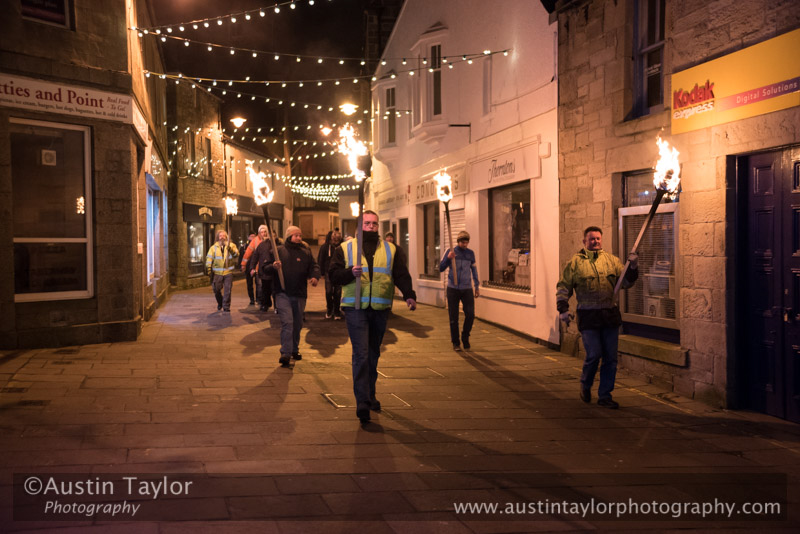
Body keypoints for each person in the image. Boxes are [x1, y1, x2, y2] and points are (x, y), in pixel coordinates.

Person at [329, 210, 417, 424]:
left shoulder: (391, 249)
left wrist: (409, 295)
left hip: (379, 307)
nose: (371, 227)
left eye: (374, 224)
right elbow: (333, 275)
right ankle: (362, 402)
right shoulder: (345, 248)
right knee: (361, 353)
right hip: (355, 307)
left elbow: (401, 274)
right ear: (359, 226)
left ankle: (370, 394)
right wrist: (351, 273)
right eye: (367, 224)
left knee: (373, 353)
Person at [556, 226, 639, 409]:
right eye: (592, 239)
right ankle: (585, 384)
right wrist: (562, 308)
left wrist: (632, 267)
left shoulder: (612, 261)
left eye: (598, 239)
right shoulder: (575, 263)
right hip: (588, 316)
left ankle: (605, 395)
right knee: (594, 354)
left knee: (610, 358)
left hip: (609, 315)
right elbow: (563, 287)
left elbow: (625, 283)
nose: (596, 242)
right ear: (584, 241)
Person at [261, 225, 320, 367]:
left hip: (299, 294)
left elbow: (314, 266)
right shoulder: (278, 251)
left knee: (298, 323)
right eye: (296, 235)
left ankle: (294, 348)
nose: (299, 238)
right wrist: (273, 267)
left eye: (300, 235)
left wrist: (314, 277)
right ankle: (285, 353)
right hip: (282, 293)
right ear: (289, 236)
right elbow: (265, 268)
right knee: (288, 322)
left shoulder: (305, 252)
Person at [439, 231, 480, 351]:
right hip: (453, 288)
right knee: (453, 317)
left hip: (467, 288)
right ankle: (455, 343)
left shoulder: (470, 254)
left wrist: (476, 286)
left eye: (467, 242)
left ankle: (465, 336)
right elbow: (441, 268)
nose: (465, 244)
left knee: (470, 315)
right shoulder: (451, 251)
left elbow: (474, 270)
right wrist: (448, 258)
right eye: (463, 242)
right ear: (458, 241)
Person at [205, 229, 239, 312]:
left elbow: (236, 254)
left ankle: (226, 306)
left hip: (228, 272)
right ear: (217, 237)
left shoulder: (232, 245)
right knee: (216, 290)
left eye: (224, 236)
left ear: (227, 237)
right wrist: (209, 269)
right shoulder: (213, 248)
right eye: (220, 236)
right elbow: (209, 258)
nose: (222, 237)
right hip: (217, 273)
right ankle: (220, 302)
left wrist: (230, 248)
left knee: (228, 290)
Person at [318, 230, 343, 320]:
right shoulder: (325, 247)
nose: (336, 236)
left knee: (338, 292)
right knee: (328, 292)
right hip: (328, 272)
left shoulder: (342, 246)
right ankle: (329, 309)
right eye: (334, 234)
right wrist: (321, 272)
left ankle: (337, 311)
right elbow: (321, 259)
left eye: (338, 234)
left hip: (339, 272)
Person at [250, 228, 276, 312]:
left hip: (276, 272)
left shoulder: (279, 244)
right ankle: (265, 304)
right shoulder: (262, 245)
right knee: (265, 289)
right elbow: (255, 256)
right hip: (264, 271)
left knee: (275, 290)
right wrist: (252, 267)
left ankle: (277, 306)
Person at [242, 232, 259, 306]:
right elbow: (243, 256)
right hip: (248, 267)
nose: (252, 238)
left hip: (256, 266)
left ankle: (258, 298)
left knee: (258, 283)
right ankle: (252, 299)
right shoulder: (244, 246)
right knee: (249, 284)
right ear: (248, 237)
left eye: (253, 236)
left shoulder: (257, 244)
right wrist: (243, 265)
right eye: (251, 236)